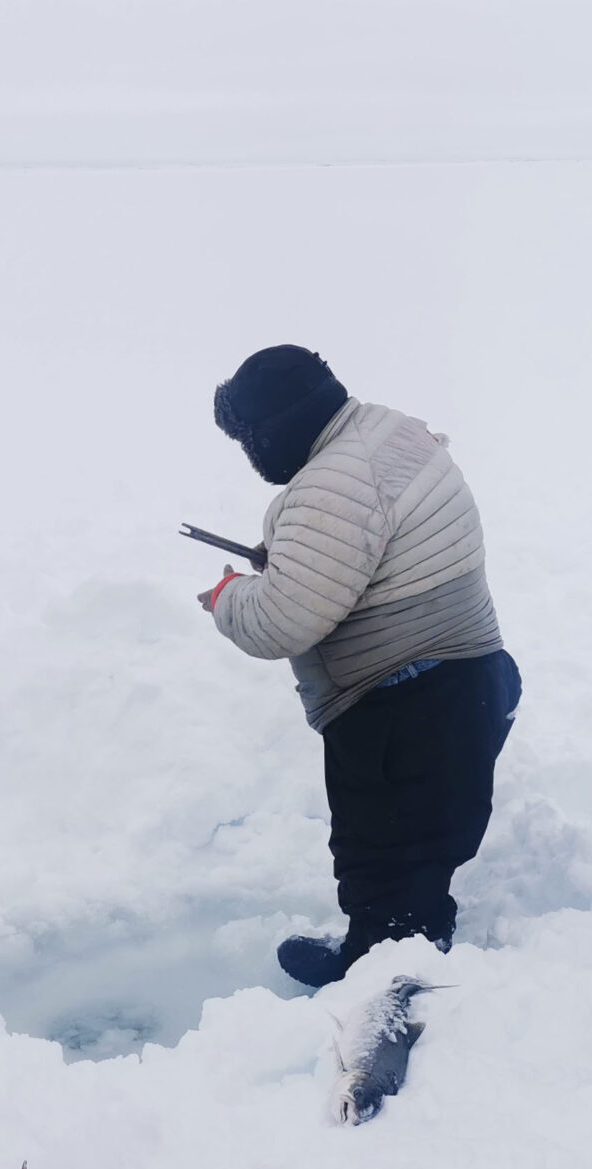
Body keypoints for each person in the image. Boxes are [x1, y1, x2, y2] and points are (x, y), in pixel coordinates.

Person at [199, 345, 521, 988]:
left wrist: (228, 596)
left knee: (382, 852)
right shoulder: (386, 431)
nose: (249, 455)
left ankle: (386, 975)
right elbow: (368, 540)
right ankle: (419, 938)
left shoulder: (333, 483)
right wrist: (296, 558)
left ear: (275, 428)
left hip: (406, 706)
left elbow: (283, 621)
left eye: (249, 439)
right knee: (427, 845)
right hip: (467, 679)